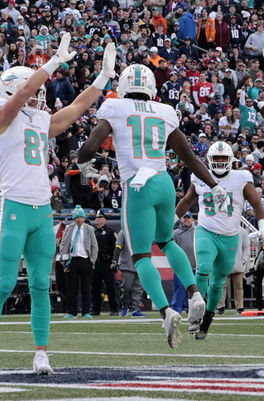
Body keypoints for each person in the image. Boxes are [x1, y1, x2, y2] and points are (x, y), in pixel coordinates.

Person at [0, 34, 116, 375]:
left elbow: (77, 107)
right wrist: (50, 63)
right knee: (4, 284)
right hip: (14, 207)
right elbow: (21, 94)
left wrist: (103, 78)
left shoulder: (37, 119)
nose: (38, 97)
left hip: (41, 209)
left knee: (40, 284)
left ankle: (40, 353)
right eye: (34, 90)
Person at [77, 63, 230, 347]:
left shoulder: (114, 107)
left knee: (141, 257)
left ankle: (165, 311)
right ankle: (196, 293)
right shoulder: (165, 111)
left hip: (137, 186)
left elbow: (90, 146)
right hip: (163, 182)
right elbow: (191, 158)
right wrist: (216, 185)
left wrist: (81, 161)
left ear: (124, 86)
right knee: (168, 242)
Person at [176, 141, 264, 339]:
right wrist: (171, 222)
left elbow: (256, 203)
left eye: (223, 158)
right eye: (216, 158)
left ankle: (207, 319)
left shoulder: (241, 178)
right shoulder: (200, 177)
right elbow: (187, 200)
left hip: (230, 236)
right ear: (209, 160)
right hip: (206, 231)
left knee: (218, 283)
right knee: (203, 270)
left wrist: (263, 226)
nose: (219, 162)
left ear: (230, 160)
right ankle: (195, 313)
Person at [59, 205, 98, 319]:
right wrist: (64, 261)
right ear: (74, 218)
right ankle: (72, 312)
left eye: (81, 217)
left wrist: (92, 261)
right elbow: (64, 245)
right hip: (73, 261)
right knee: (72, 288)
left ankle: (86, 311)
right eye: (77, 218)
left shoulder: (89, 229)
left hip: (86, 260)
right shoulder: (69, 228)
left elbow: (94, 247)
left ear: (84, 218)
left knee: (86, 287)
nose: (79, 220)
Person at [91, 209, 118, 316]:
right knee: (95, 288)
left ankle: (114, 309)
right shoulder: (93, 233)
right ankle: (95, 309)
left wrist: (114, 261)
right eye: (96, 218)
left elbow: (116, 248)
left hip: (107, 263)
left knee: (111, 287)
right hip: (96, 263)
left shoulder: (110, 232)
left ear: (105, 220)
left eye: (100, 218)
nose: (98, 220)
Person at [217, 226, 249, 314]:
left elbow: (246, 247)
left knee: (238, 287)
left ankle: (239, 307)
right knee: (221, 286)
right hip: (225, 264)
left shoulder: (242, 232)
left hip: (238, 265)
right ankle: (220, 307)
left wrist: (243, 260)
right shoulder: (222, 230)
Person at [113, 229, 145, 317]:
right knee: (126, 288)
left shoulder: (142, 231)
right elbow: (118, 246)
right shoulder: (123, 231)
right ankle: (125, 306)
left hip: (140, 263)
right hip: (127, 264)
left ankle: (136, 308)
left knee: (138, 289)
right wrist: (115, 260)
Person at [172, 211, 196, 314]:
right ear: (181, 219)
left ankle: (189, 308)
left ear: (192, 219)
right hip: (180, 267)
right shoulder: (176, 233)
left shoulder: (197, 232)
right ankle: (176, 308)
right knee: (180, 288)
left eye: (188, 218)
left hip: (194, 266)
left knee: (192, 289)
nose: (186, 219)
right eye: (184, 218)